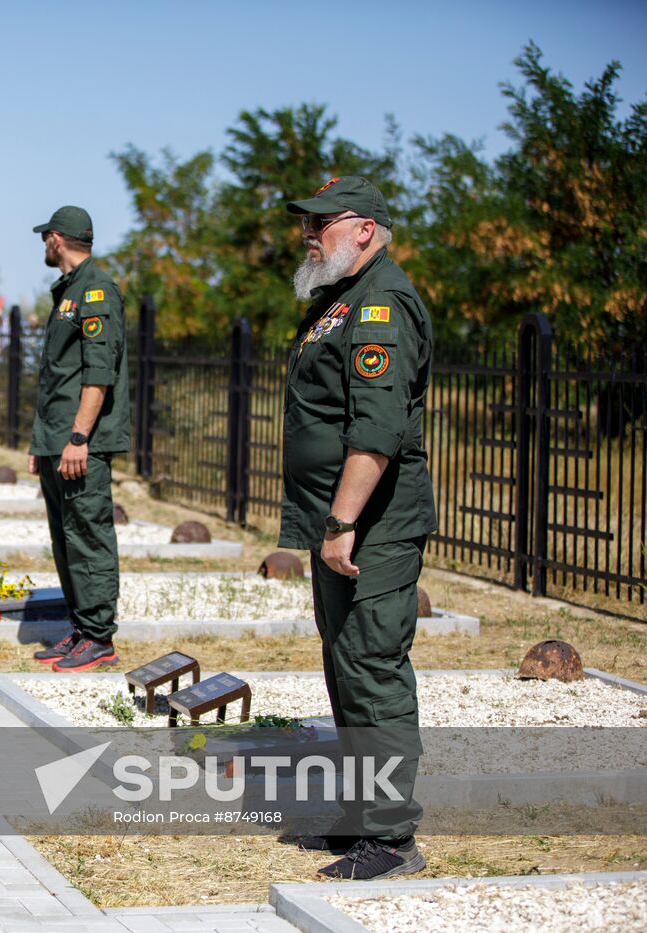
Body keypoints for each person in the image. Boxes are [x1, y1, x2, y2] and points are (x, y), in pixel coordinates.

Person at [278, 176, 437, 880]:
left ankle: (393, 837)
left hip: (372, 527)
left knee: (373, 668)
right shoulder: (339, 300)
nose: (309, 235)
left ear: (365, 228)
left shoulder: (382, 303)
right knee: (346, 668)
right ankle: (365, 811)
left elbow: (375, 431)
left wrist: (342, 521)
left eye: (322, 224)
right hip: (336, 526)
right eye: (304, 225)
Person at [27, 206, 131, 673]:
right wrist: (42, 442)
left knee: (87, 535)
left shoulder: (96, 289)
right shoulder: (68, 291)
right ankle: (81, 627)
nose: (43, 247)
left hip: (80, 441)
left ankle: (99, 636)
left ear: (56, 239)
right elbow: (56, 378)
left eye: (44, 239)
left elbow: (98, 373)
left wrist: (77, 437)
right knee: (65, 537)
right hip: (57, 440)